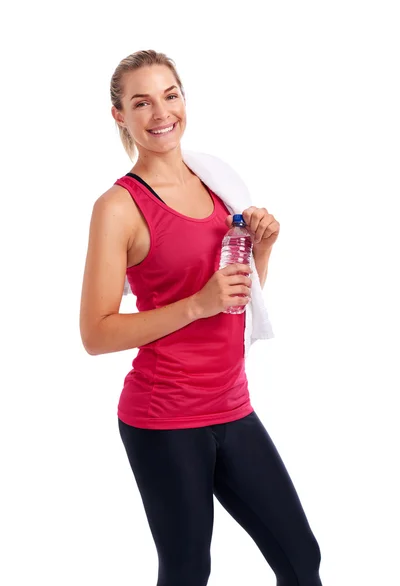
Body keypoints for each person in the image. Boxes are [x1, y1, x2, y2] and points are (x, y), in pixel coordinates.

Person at [79, 49, 323, 586]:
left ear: (184, 99)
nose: (160, 112)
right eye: (140, 102)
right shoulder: (118, 207)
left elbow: (238, 301)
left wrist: (262, 249)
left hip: (232, 406)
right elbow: (95, 333)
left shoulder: (216, 180)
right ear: (119, 115)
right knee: (188, 570)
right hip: (163, 416)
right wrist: (196, 305)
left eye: (170, 95)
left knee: (302, 559)